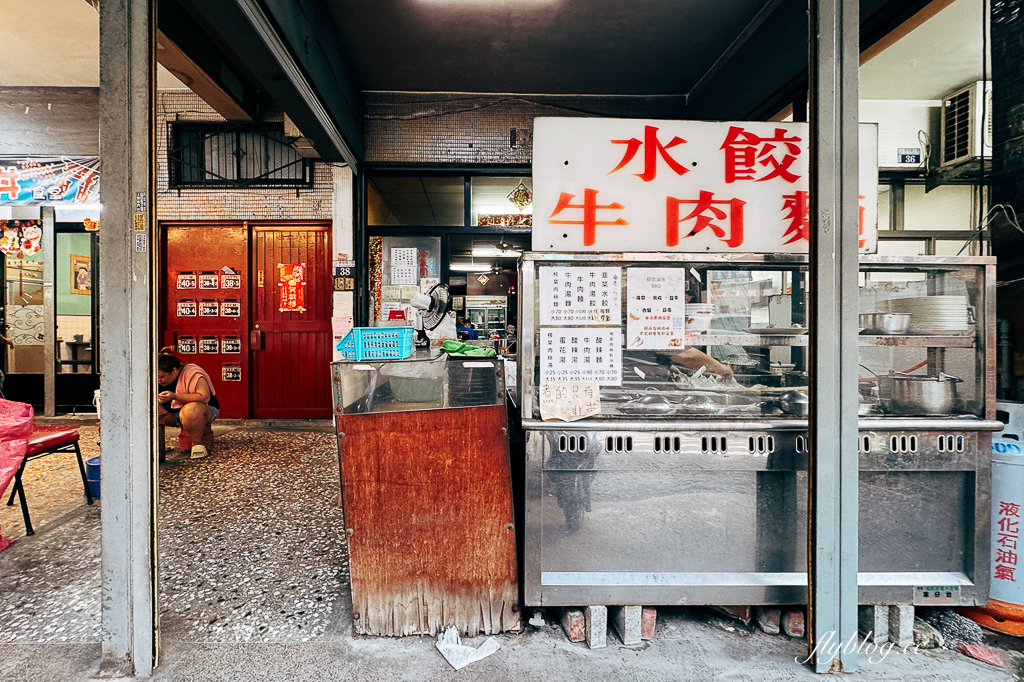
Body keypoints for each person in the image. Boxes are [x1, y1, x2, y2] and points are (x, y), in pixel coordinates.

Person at [157, 349, 219, 459]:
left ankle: (197, 444)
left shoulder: (192, 372)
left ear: (174, 370)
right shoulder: (156, 379)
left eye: (162, 377)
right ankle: (157, 444)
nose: (159, 380)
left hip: (203, 410)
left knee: (190, 409)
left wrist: (175, 396)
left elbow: (204, 397)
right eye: (157, 377)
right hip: (171, 414)